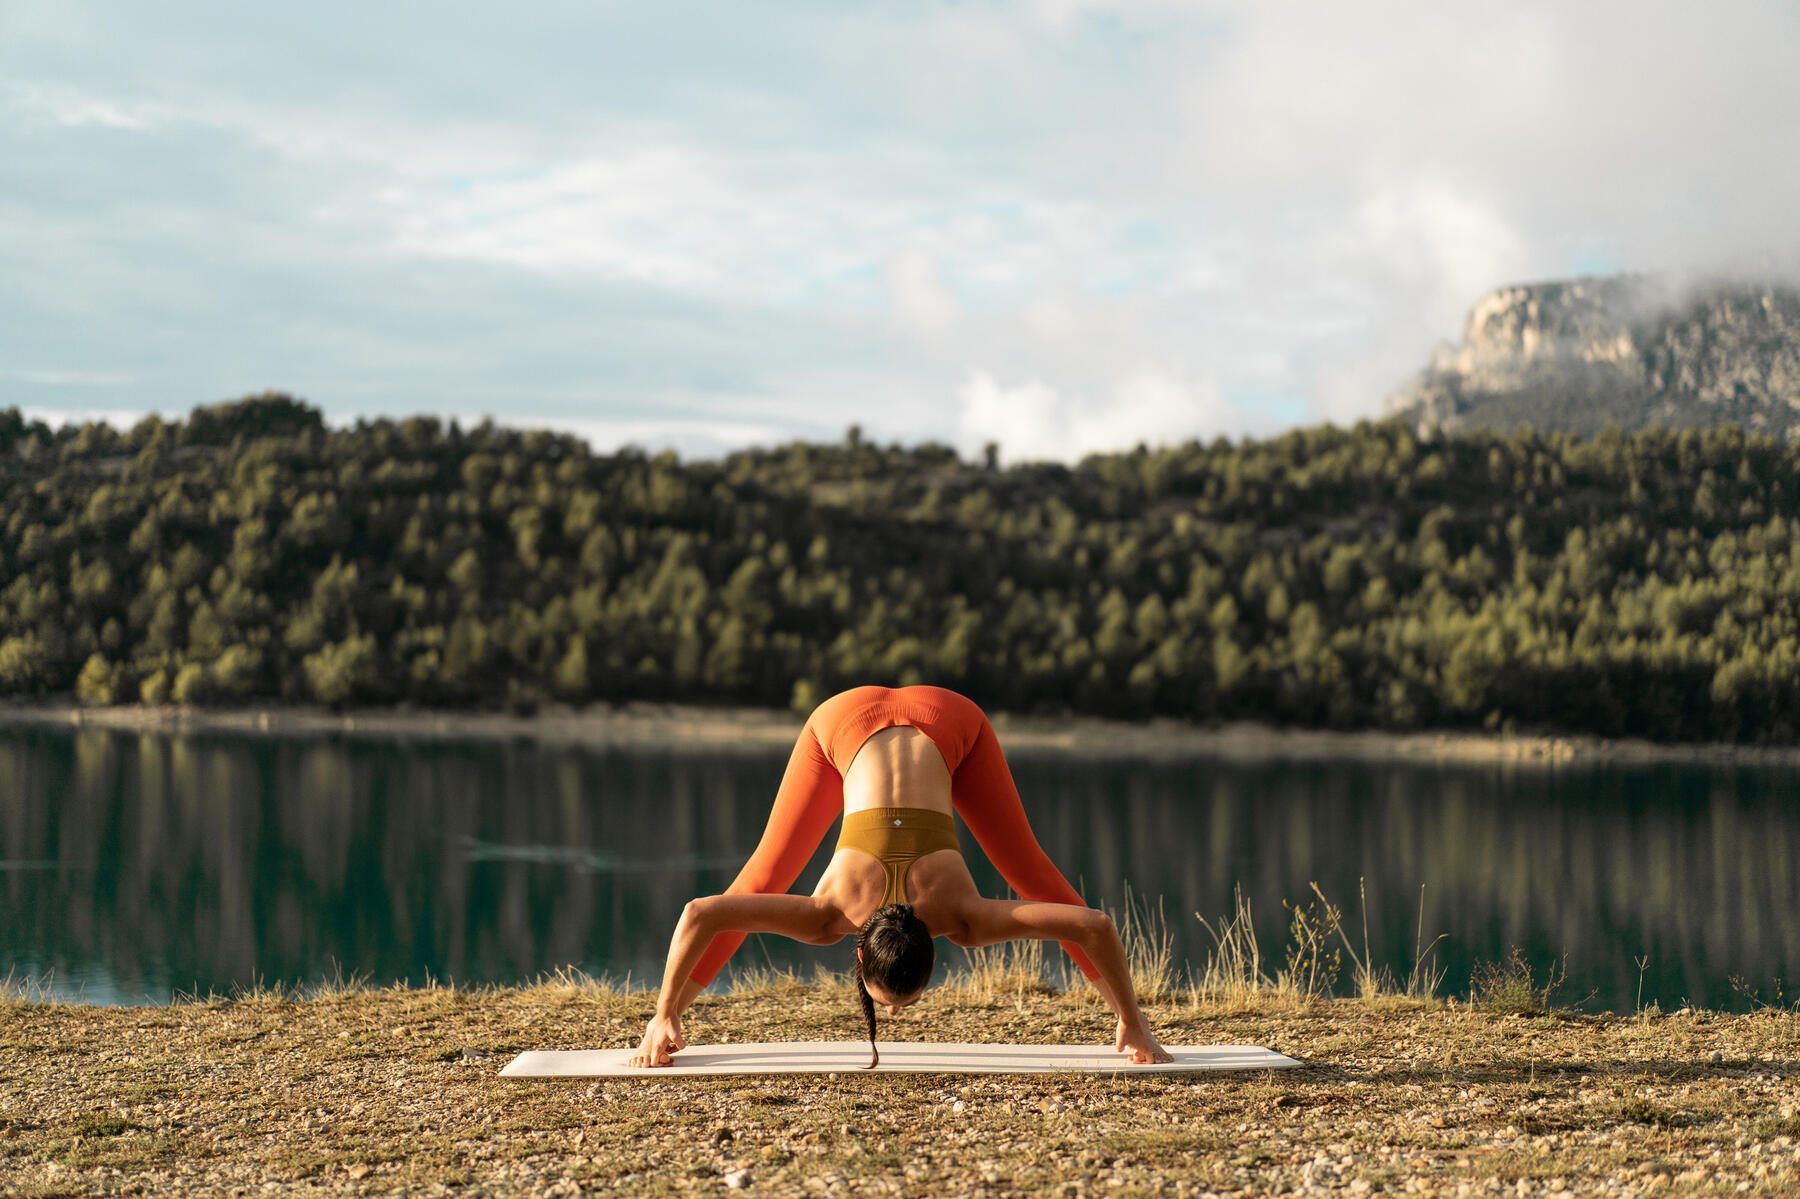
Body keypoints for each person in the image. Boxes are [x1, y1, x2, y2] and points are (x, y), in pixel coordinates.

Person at [629, 685, 1172, 1068]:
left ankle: (672, 1018)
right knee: (762, 880)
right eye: (896, 1003)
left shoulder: (962, 919)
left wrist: (1132, 1018)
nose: (888, 1011)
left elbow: (1091, 925)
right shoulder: (828, 917)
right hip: (870, 722)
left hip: (912, 718)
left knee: (759, 879)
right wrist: (664, 1013)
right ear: (863, 953)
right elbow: (702, 913)